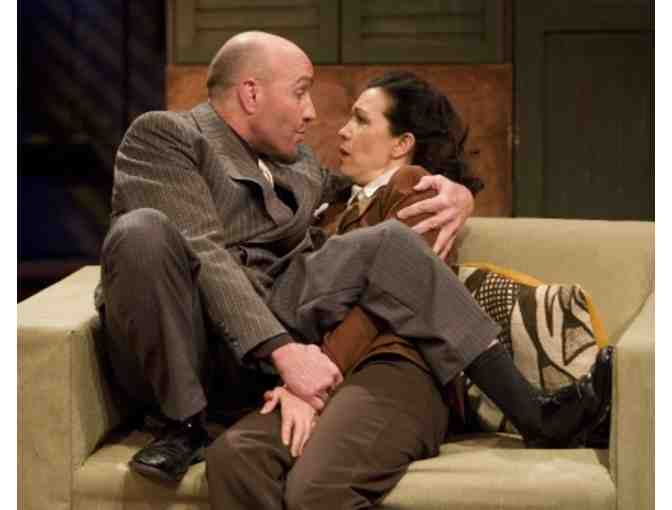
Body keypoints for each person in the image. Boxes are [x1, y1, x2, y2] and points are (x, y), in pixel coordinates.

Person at [204, 71, 614, 509]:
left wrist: (312, 378)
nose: (342, 130)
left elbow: (388, 298)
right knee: (235, 457)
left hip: (398, 368)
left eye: (361, 120)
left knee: (317, 488)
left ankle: (537, 414)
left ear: (401, 144)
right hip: (326, 376)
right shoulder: (329, 208)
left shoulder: (416, 189)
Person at [96, 31, 483, 483]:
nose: (312, 112)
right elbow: (201, 247)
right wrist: (283, 353)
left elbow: (365, 189)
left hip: (253, 363)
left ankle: (521, 401)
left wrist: (455, 190)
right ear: (251, 93)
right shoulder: (168, 136)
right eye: (300, 92)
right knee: (142, 231)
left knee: (384, 245)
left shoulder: (296, 162)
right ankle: (183, 425)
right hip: (185, 347)